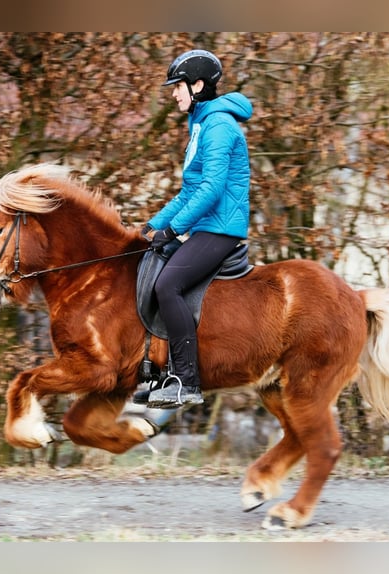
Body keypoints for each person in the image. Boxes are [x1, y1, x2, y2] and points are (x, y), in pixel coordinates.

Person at [141, 49, 253, 409]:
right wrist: (151, 227)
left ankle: (185, 382)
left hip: (220, 229)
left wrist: (173, 231)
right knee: (150, 265)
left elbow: (211, 189)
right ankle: (160, 371)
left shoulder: (219, 126)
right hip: (206, 225)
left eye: (178, 86)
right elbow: (189, 190)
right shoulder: (202, 123)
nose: (174, 94)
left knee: (167, 284)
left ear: (199, 86)